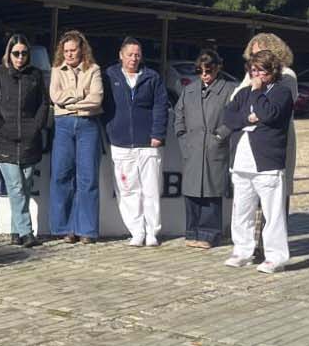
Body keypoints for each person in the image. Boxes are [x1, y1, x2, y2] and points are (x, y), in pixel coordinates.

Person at [222, 49, 295, 273]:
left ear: (272, 71)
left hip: (267, 162)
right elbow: (229, 118)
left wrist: (257, 94)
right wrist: (248, 118)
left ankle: (276, 256)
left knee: (272, 213)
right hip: (242, 160)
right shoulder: (243, 92)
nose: (257, 75)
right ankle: (242, 249)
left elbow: (270, 115)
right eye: (253, 70)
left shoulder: (281, 92)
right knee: (242, 208)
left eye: (261, 70)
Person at [236, 33, 299, 262]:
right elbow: (236, 103)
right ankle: (251, 246)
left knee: (274, 197)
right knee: (248, 199)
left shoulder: (286, 76)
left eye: (261, 53)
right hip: (252, 141)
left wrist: (255, 97)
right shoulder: (251, 76)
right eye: (252, 55)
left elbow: (271, 111)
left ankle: (270, 248)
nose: (256, 59)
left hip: (275, 140)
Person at [102, 37, 169, 247]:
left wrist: (158, 133)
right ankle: (137, 231)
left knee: (151, 189)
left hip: (148, 143)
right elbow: (102, 104)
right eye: (130, 54)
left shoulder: (152, 77)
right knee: (128, 189)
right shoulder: (109, 75)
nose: (133, 58)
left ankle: (152, 232)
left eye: (137, 54)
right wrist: (110, 129)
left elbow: (161, 106)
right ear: (121, 55)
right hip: (120, 143)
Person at [0, 34, 49, 247]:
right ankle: (27, 232)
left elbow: (43, 103)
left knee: (26, 186)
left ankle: (15, 232)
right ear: (9, 54)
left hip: (30, 139)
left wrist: (37, 125)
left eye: (23, 53)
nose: (20, 57)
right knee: (15, 187)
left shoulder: (36, 75)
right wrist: (0, 125)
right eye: (16, 53)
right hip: (5, 140)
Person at [173, 50, 236, 248]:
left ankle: (210, 235)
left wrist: (219, 135)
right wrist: (183, 137)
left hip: (214, 149)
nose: (204, 74)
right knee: (192, 191)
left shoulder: (228, 90)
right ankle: (192, 232)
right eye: (200, 70)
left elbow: (234, 116)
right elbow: (178, 115)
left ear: (218, 67)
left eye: (208, 70)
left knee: (211, 192)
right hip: (192, 148)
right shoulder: (189, 90)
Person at [49, 30, 104, 243]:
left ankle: (87, 230)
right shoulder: (56, 70)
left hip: (88, 125)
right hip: (62, 126)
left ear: (82, 50)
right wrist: (81, 96)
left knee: (88, 178)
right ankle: (65, 228)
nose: (70, 54)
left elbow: (96, 99)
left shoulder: (94, 70)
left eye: (73, 50)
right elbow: (55, 96)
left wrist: (70, 102)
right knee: (61, 176)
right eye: (66, 51)